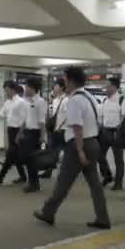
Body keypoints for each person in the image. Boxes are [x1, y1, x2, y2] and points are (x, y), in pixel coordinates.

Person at [33, 66, 110, 230]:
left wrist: (80, 151)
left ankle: (48, 212)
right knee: (95, 184)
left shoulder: (75, 100)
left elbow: (77, 127)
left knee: (63, 182)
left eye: (65, 79)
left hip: (78, 145)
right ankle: (103, 218)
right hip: (93, 142)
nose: (63, 82)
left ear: (70, 80)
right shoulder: (89, 96)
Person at [0, 81, 28, 185]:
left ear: (13, 89)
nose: (6, 92)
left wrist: (21, 133)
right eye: (5, 90)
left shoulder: (21, 102)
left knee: (10, 154)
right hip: (10, 130)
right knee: (15, 156)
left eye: (7, 90)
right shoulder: (7, 102)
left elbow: (25, 119)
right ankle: (23, 177)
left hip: (18, 131)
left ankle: (0, 177)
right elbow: (1, 116)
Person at [98, 78, 125, 191]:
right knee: (99, 155)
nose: (106, 88)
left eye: (108, 86)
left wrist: (119, 131)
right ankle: (107, 176)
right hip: (105, 132)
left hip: (116, 133)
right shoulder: (105, 100)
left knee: (118, 159)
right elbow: (101, 118)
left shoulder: (122, 100)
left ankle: (118, 183)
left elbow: (124, 118)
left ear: (114, 87)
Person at [20, 78, 47, 193]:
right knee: (27, 159)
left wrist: (42, 136)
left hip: (35, 133)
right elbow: (24, 118)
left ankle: (34, 184)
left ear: (32, 88)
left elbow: (42, 120)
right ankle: (32, 183)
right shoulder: (26, 101)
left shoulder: (40, 101)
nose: (25, 89)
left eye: (27, 87)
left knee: (32, 159)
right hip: (27, 132)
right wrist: (20, 132)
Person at [40, 79, 68, 179]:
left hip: (63, 130)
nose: (53, 88)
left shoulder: (66, 99)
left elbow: (67, 116)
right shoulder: (54, 100)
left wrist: (60, 126)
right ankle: (48, 171)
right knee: (51, 151)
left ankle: (68, 172)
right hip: (53, 130)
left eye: (55, 86)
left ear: (61, 87)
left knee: (67, 152)